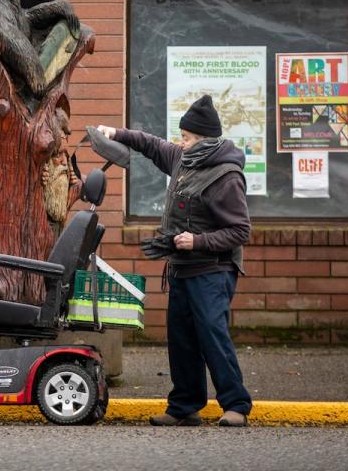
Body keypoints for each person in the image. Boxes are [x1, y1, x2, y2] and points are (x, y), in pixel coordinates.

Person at [97, 94, 252, 427]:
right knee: (181, 339)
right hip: (182, 268)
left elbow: (240, 230)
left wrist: (198, 240)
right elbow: (151, 144)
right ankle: (184, 406)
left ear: (202, 140)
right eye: (181, 137)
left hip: (213, 270)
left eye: (185, 138)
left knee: (212, 335)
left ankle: (236, 405)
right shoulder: (184, 160)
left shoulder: (226, 176)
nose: (179, 143)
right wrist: (116, 133)